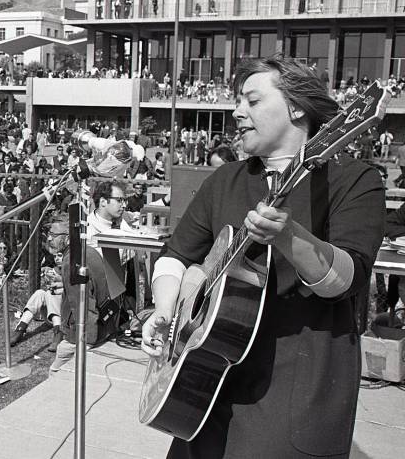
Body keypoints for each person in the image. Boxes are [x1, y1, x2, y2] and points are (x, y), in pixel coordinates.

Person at [141, 55, 384, 458]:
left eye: (252, 101)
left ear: (298, 107)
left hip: (295, 396)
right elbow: (175, 255)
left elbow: (349, 279)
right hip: (206, 388)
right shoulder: (225, 180)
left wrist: (288, 236)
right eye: (238, 101)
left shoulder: (353, 180)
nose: (237, 112)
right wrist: (167, 312)